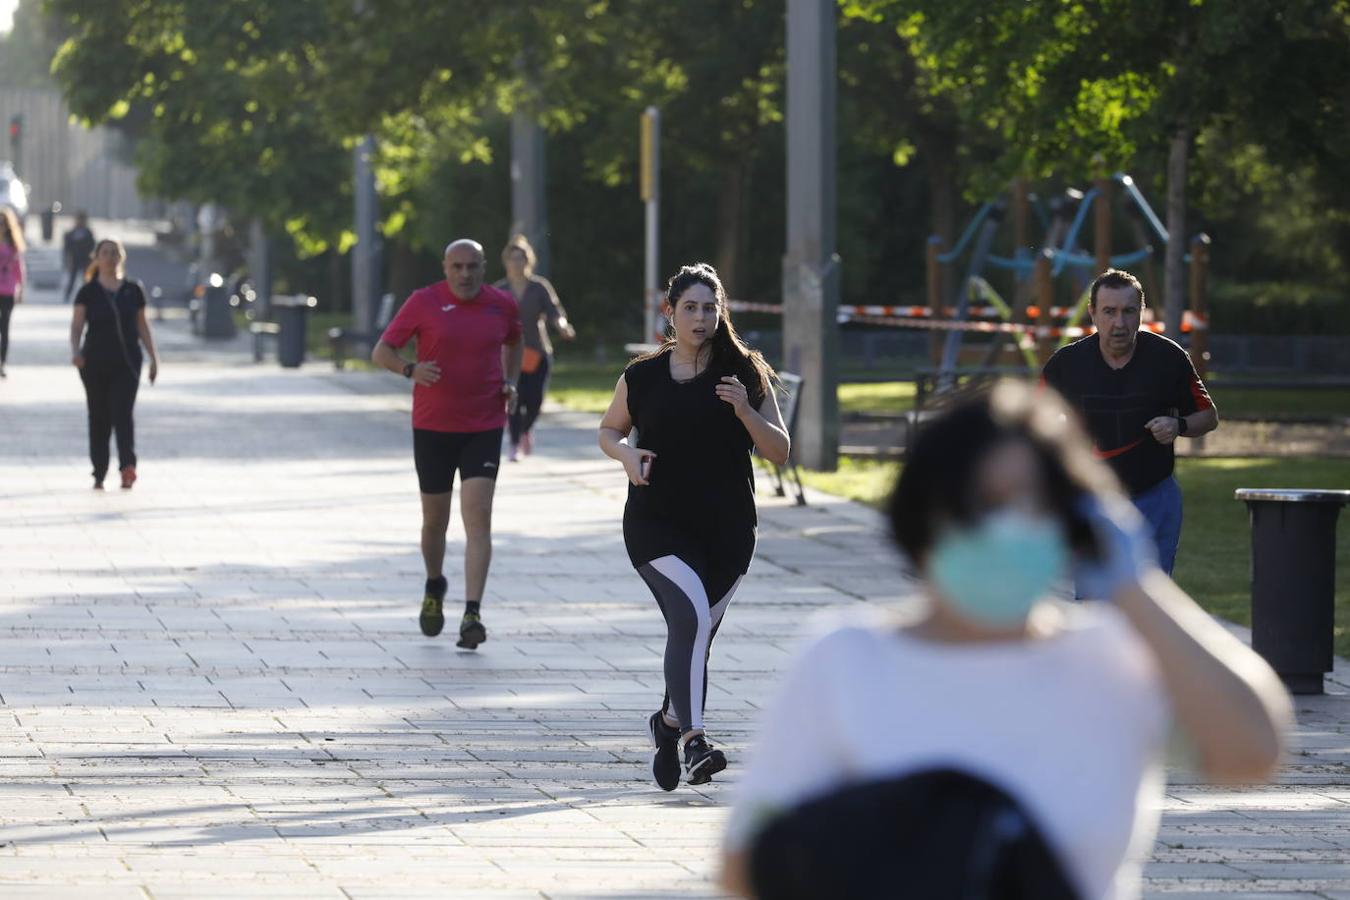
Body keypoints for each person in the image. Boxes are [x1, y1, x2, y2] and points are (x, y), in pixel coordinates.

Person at [719, 381, 1290, 900]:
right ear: (926, 516)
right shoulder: (844, 661)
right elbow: (746, 864)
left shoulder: (1109, 660)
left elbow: (1253, 752)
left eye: (1033, 502)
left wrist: (1137, 589)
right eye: (985, 504)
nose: (1009, 526)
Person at [598, 262, 790, 790]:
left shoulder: (745, 372)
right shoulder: (641, 376)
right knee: (691, 621)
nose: (701, 318)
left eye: (710, 308)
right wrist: (625, 455)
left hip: (728, 531)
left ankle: (667, 722)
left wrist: (746, 411)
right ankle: (695, 742)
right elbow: (610, 429)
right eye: (691, 308)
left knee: (695, 636)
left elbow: (780, 450)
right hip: (657, 525)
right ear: (670, 313)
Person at [371, 239, 523, 649]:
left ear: (483, 265)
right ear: (445, 267)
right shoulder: (424, 302)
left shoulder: (501, 304)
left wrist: (510, 382)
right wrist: (410, 368)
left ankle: (472, 612)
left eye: (473, 266)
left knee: (478, 517)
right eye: (457, 266)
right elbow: (381, 350)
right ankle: (435, 584)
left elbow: (515, 341)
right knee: (435, 521)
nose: (465, 274)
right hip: (434, 427)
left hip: (485, 423)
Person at [1042, 268, 1217, 577]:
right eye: (1109, 312)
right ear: (1092, 313)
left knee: (1150, 604)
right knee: (1096, 608)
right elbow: (1032, 423)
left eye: (1128, 311)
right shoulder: (1065, 365)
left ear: (1141, 313)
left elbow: (1209, 416)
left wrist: (1179, 426)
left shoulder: (1168, 358)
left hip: (1155, 496)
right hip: (1092, 501)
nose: (1119, 323)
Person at [70, 239, 160, 490]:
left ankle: (127, 466)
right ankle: (99, 469)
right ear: (96, 258)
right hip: (94, 362)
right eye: (105, 253)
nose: (110, 258)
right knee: (99, 416)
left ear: (121, 258)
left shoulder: (133, 290)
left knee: (123, 413)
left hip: (127, 362)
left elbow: (142, 325)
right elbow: (77, 325)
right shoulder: (87, 292)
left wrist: (154, 358)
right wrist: (76, 352)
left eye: (114, 253)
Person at [493, 233, 576, 462]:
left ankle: (526, 429)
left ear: (528, 261)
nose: (516, 263)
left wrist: (562, 326)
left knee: (535, 401)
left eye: (521, 258)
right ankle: (514, 443)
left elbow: (555, 312)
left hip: (537, 352)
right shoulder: (499, 290)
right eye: (513, 258)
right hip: (509, 355)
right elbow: (487, 319)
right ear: (506, 261)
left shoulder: (539, 287)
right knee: (514, 398)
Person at [0, 207, 26, 379]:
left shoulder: (14, 245)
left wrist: (21, 289)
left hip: (8, 291)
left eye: (3, 222)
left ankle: (2, 363)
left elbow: (19, 269)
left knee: (4, 328)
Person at [63, 210, 96, 303]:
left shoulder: (88, 233)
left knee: (86, 280)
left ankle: (88, 297)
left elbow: (92, 246)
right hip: (74, 260)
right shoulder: (70, 233)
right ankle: (67, 296)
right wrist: (68, 260)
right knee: (72, 280)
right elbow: (67, 249)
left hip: (86, 260)